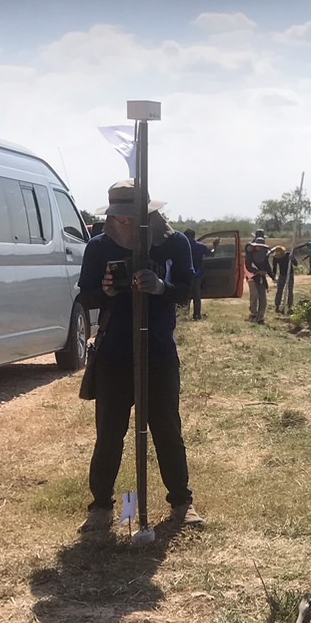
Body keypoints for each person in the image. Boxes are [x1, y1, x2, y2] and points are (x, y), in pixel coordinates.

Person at [76, 179, 203, 532]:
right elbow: (85, 296)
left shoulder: (173, 243)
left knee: (167, 429)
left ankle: (182, 504)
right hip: (114, 353)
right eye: (119, 217)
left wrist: (161, 287)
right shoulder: (99, 246)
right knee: (109, 433)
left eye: (131, 216)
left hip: (158, 351)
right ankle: (101, 508)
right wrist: (105, 291)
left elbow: (188, 289)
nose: (125, 222)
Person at [244, 231, 272, 324]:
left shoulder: (264, 254)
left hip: (262, 279)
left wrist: (272, 276)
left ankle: (260, 317)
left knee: (263, 299)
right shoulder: (250, 252)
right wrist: (258, 272)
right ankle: (253, 314)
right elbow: (248, 266)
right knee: (254, 295)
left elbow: (267, 266)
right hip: (252, 277)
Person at [187, 230, 215, 320]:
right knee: (196, 296)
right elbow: (211, 254)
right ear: (193, 236)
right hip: (197, 274)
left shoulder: (182, 246)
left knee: (185, 295)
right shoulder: (200, 246)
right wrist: (215, 246)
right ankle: (197, 315)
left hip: (185, 274)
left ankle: (183, 314)